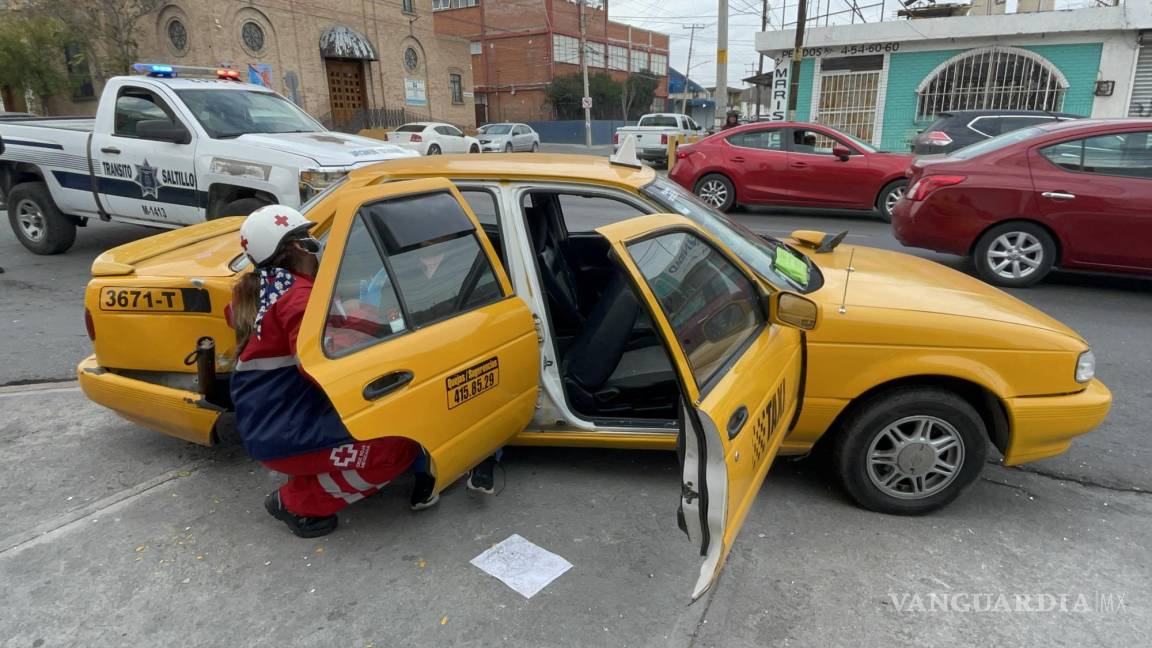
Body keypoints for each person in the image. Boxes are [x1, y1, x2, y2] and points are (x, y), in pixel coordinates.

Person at [229, 205, 438, 538]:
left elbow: (317, 332)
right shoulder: (297, 298)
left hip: (276, 421)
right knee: (398, 448)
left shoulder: (272, 288)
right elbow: (322, 365)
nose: (316, 246)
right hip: (287, 430)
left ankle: (313, 473)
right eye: (308, 239)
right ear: (298, 248)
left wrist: (363, 319)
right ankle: (296, 502)